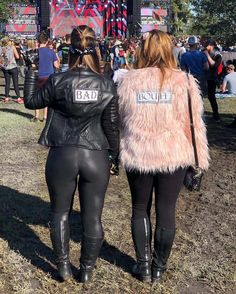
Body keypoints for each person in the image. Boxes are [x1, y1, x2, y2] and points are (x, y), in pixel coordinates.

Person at [23, 25, 119, 283]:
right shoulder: (106, 84)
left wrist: (31, 71)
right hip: (95, 154)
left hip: (63, 153)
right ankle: (86, 270)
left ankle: (63, 267)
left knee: (60, 212)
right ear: (94, 48)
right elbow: (112, 125)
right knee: (92, 216)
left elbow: (31, 102)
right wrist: (115, 157)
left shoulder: (58, 81)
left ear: (69, 49)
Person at [118, 30, 209, 283]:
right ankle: (159, 267)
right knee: (167, 209)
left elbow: (121, 121)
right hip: (173, 154)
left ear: (143, 50)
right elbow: (194, 124)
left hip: (139, 152)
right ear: (170, 50)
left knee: (139, 208)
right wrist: (198, 160)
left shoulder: (128, 81)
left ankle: (143, 265)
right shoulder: (185, 81)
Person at [37, 31, 60, 121]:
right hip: (49, 76)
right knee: (47, 97)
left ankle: (36, 115)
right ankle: (46, 116)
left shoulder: (36, 51)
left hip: (38, 76)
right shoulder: (51, 52)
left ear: (38, 41)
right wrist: (56, 54)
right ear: (47, 41)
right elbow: (57, 66)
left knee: (37, 96)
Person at [203, 39, 222, 121]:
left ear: (211, 45)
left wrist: (206, 55)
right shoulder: (205, 52)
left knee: (211, 97)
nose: (205, 47)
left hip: (212, 78)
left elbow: (214, 65)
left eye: (206, 45)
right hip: (205, 77)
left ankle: (216, 115)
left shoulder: (218, 55)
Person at [0, 37, 23, 103]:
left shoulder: (1, 48)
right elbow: (17, 56)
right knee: (15, 83)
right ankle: (18, 98)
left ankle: (6, 97)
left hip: (5, 67)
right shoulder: (12, 47)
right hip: (13, 66)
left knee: (7, 83)